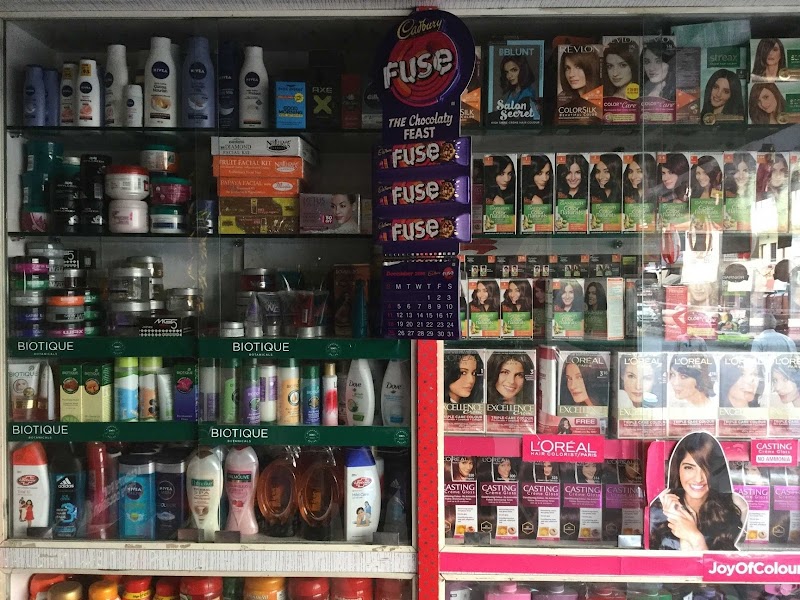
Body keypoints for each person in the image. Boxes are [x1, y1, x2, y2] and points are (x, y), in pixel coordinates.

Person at [650, 432, 747, 551]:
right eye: (689, 468)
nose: (698, 478)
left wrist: (695, 538)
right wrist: (673, 516)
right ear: (678, 469)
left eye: (706, 468)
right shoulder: (659, 509)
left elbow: (724, 563)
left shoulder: (731, 509)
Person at [558, 49, 602, 124]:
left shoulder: (605, 100)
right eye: (567, 68)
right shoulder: (563, 101)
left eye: (578, 67)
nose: (571, 74)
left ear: (591, 68)